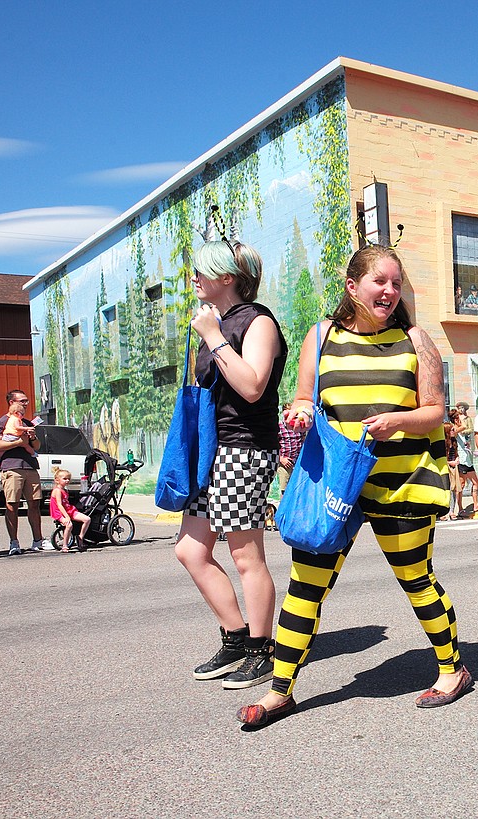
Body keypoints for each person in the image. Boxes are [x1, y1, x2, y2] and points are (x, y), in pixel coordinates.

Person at [242, 244, 469, 730]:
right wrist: (300, 411)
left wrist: (399, 420)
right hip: (335, 484)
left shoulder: (417, 341)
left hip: (400, 481)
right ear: (352, 286)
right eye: (379, 282)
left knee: (416, 579)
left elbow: (436, 412)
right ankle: (280, 689)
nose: (390, 291)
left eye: (396, 283)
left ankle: (453, 669)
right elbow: (304, 396)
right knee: (306, 585)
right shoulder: (321, 336)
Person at [174, 236, 287, 691]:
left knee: (245, 555)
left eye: (199, 271)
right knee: (190, 550)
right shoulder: (215, 322)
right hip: (211, 449)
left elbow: (254, 386)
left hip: (244, 447)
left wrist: (214, 338)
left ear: (227, 278)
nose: (193, 279)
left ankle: (262, 649)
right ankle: (236, 638)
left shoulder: (257, 321)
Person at [0, 389, 45, 555]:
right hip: (11, 467)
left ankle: (38, 540)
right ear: (11, 402)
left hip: (30, 466)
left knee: (34, 504)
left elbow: (37, 446)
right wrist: (19, 442)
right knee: (12, 505)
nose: (25, 404)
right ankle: (14, 542)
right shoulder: (1, 422)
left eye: (26, 401)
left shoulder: (26, 422)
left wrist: (32, 437)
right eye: (22, 401)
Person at [49, 468, 90, 551]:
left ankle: (80, 537)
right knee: (69, 525)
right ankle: (65, 544)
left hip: (69, 510)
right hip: (59, 512)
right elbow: (59, 505)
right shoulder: (57, 491)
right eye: (64, 479)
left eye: (68, 479)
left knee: (87, 519)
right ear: (57, 480)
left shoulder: (65, 490)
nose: (67, 481)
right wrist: (66, 516)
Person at [455, 406, 478, 517]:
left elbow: (468, 429)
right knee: (461, 485)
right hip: (461, 460)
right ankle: (460, 508)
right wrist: (461, 418)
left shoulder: (462, 432)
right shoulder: (454, 430)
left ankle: (475, 504)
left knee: (475, 482)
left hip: (467, 459)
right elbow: (465, 426)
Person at [275, 405, 304, 498]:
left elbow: (303, 440)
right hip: (285, 462)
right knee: (285, 490)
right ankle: (284, 511)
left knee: (299, 487)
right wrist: (281, 458)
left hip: (299, 462)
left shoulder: (299, 426)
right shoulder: (279, 427)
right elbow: (273, 443)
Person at [442, 408, 463, 520]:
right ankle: (445, 512)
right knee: (447, 489)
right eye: (451, 430)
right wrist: (451, 462)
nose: (454, 431)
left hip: (454, 466)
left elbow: (455, 452)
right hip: (447, 468)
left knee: (455, 489)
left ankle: (452, 511)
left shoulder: (454, 442)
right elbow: (441, 458)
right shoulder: (443, 443)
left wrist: (457, 459)